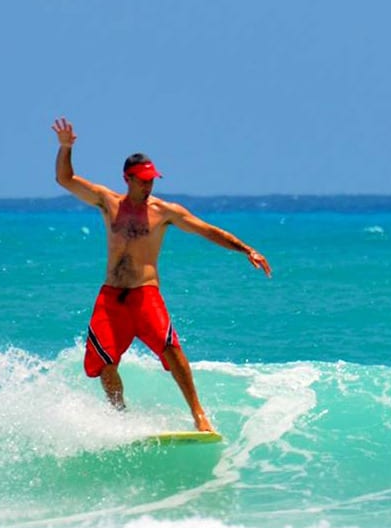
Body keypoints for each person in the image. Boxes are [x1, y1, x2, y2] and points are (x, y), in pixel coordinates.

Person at [51, 117, 271, 432]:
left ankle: (199, 415)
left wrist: (246, 249)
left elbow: (206, 230)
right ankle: (120, 418)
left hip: (145, 295)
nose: (149, 184)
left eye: (152, 179)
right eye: (142, 179)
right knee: (105, 364)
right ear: (127, 178)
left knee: (172, 350)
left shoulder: (163, 212)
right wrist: (66, 147)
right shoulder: (107, 202)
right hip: (112, 298)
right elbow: (65, 178)